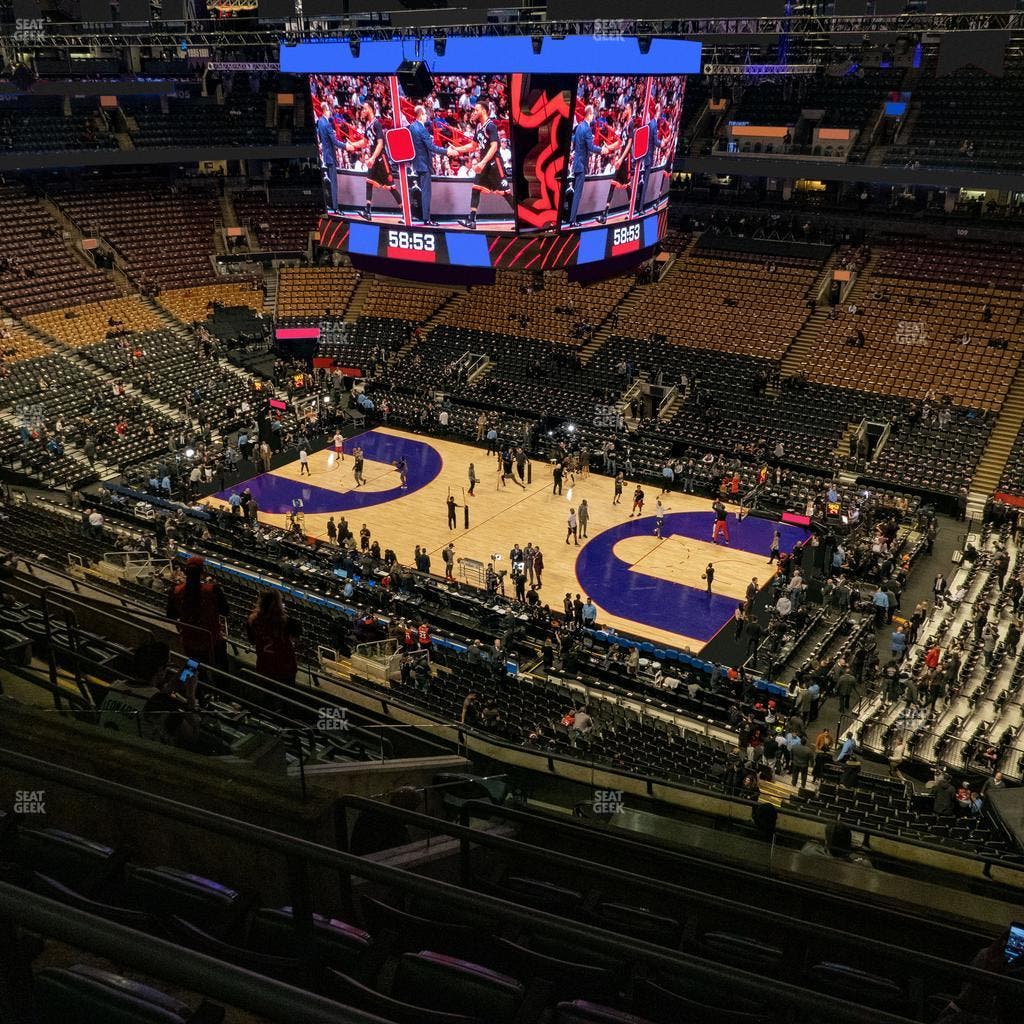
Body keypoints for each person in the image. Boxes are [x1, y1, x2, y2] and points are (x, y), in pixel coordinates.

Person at [456, 100, 513, 230]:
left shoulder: (490, 126)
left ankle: (522, 219)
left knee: (506, 193)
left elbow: (494, 147)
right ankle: (472, 220)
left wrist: (482, 162)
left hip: (494, 164)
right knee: (475, 188)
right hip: (485, 165)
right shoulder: (478, 127)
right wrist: (457, 149)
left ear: (483, 110)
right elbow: (473, 145)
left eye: (476, 110)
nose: (474, 112)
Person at [166, 556, 229, 669]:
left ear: (185, 571)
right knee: (221, 673)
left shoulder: (175, 591)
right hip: (213, 640)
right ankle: (221, 686)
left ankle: (184, 683)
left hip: (190, 642)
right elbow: (226, 611)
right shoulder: (212, 589)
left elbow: (171, 615)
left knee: (191, 669)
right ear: (202, 572)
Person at [410, 104, 458, 226]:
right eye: (425, 114)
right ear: (420, 115)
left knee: (420, 192)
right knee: (426, 193)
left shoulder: (411, 127)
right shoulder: (422, 129)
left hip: (416, 164)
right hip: (424, 165)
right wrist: (447, 151)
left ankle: (418, 215)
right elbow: (431, 147)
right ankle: (426, 219)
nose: (426, 116)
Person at [246, 591, 301, 686]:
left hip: (264, 666)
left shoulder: (252, 620)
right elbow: (297, 638)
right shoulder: (286, 621)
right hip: (286, 667)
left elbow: (252, 640)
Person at [568, 105, 605, 227]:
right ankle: (573, 221)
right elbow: (591, 148)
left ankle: (572, 219)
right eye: (593, 114)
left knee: (576, 194)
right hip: (581, 165)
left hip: (576, 164)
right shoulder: (587, 129)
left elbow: (575, 141)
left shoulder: (579, 126)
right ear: (589, 114)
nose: (594, 116)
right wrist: (602, 150)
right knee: (577, 194)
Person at [317, 100, 340, 211]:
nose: (330, 112)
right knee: (334, 184)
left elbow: (322, 139)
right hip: (330, 156)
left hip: (326, 155)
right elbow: (335, 142)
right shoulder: (327, 124)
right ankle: (336, 208)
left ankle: (331, 206)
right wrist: (347, 146)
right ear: (325, 110)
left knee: (329, 183)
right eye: (329, 110)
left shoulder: (320, 122)